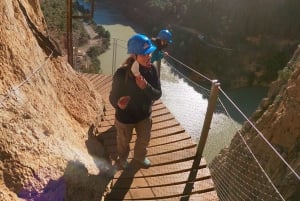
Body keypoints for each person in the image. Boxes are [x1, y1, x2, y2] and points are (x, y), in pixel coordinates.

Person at [109, 33, 162, 169]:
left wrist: (145, 87)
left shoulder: (152, 70)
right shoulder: (121, 74)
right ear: (134, 55)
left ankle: (140, 157)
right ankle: (123, 158)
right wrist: (118, 103)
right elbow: (112, 97)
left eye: (149, 53)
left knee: (144, 140)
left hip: (144, 116)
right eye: (144, 54)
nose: (149, 56)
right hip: (125, 118)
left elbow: (157, 94)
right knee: (123, 141)